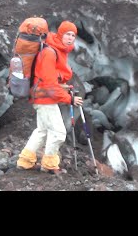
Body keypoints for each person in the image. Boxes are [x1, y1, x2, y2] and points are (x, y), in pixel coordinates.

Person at [16, 20, 83, 174]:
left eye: (73, 35)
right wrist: (70, 99)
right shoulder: (50, 52)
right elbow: (49, 84)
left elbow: (49, 79)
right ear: (60, 34)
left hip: (43, 96)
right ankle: (50, 164)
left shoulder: (58, 51)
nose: (71, 37)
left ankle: (25, 161)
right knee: (59, 132)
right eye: (67, 34)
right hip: (44, 98)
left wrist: (62, 87)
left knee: (42, 130)